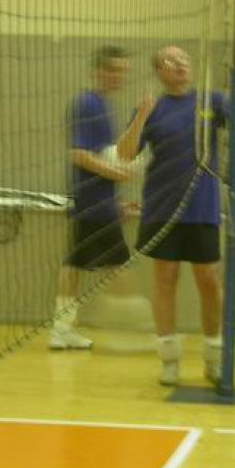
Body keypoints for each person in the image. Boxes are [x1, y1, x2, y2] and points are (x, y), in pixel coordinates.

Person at [118, 45, 235, 386]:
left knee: (209, 281)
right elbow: (124, 154)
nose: (181, 64)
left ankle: (214, 357)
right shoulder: (152, 107)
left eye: (184, 60)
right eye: (171, 61)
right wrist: (140, 116)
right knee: (165, 281)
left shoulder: (211, 101)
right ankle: (169, 359)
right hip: (162, 209)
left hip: (202, 208)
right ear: (159, 71)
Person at [49, 45, 135, 350]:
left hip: (100, 202)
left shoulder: (105, 106)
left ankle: (62, 328)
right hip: (89, 202)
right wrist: (115, 174)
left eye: (123, 72)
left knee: (76, 262)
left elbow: (102, 155)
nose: (119, 77)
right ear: (98, 71)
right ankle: (133, 330)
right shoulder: (87, 103)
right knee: (117, 264)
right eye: (114, 71)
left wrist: (116, 199)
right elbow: (78, 154)